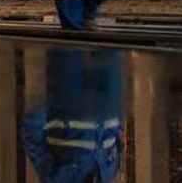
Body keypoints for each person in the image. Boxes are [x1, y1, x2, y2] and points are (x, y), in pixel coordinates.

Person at [21, 49, 126, 182]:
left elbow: (33, 140)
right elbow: (116, 145)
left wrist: (47, 106)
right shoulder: (108, 176)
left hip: (68, 100)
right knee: (112, 47)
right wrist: (117, 118)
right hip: (107, 101)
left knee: (68, 47)